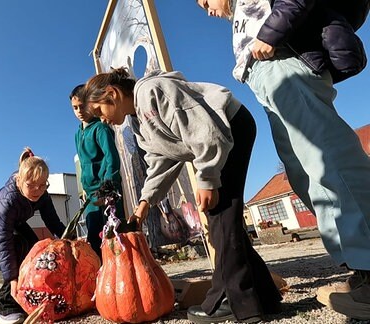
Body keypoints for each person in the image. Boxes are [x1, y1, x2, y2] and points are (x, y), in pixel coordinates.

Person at [196, 0, 370, 319]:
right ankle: (360, 270)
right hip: (266, 75)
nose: (205, 8)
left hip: (285, 59)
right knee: (304, 174)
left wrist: (270, 34)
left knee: (327, 159)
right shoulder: (241, 13)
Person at [79, 68, 282, 323]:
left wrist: (207, 178)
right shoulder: (139, 121)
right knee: (225, 219)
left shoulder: (154, 91)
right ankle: (264, 296)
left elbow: (204, 131)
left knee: (221, 216)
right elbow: (161, 160)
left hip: (229, 129)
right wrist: (145, 203)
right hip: (216, 140)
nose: (103, 119)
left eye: (100, 111)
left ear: (112, 93)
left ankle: (231, 301)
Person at [0, 147, 66, 324]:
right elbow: (4, 240)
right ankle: (2, 308)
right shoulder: (9, 200)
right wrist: (12, 279)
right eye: (30, 185)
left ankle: (27, 298)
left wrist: (68, 239)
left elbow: (53, 222)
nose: (37, 190)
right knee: (17, 247)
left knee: (34, 249)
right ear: (19, 180)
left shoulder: (43, 195)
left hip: (16, 220)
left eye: (42, 185)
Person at [69, 84, 128, 258]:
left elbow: (112, 158)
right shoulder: (77, 134)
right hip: (90, 195)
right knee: (94, 236)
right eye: (75, 108)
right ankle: (101, 277)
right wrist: (84, 190)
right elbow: (82, 163)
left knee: (115, 235)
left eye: (82, 106)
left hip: (107, 190)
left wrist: (108, 187)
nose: (79, 111)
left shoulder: (100, 129)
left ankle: (123, 274)